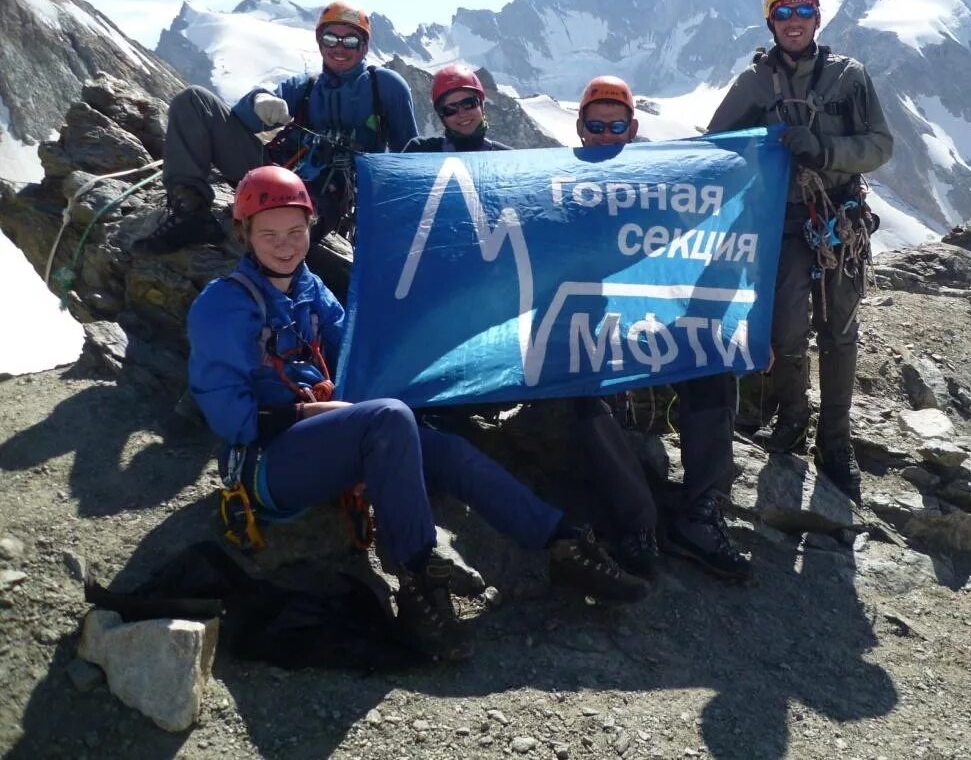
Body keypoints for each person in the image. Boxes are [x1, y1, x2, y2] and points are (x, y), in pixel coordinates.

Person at [186, 165, 648, 660]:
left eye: (296, 231)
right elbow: (230, 417)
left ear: (311, 227)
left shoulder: (309, 288)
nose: (286, 244)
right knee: (389, 419)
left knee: (446, 449)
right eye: (269, 233)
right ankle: (420, 587)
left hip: (332, 440)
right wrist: (316, 414)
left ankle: (563, 542)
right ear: (245, 234)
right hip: (265, 464)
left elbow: (358, 355)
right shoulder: (223, 306)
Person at [705, 0, 894, 503]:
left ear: (817, 18)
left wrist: (823, 149)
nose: (794, 20)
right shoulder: (754, 84)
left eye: (804, 10)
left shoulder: (849, 78)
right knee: (786, 332)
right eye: (784, 12)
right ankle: (792, 418)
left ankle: (836, 441)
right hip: (781, 223)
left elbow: (879, 145)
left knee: (838, 329)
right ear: (771, 22)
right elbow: (717, 147)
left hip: (839, 221)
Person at [569, 75, 752, 582]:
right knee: (581, 397)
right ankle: (639, 521)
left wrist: (745, 326)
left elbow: (698, 253)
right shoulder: (559, 186)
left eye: (617, 125)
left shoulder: (665, 184)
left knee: (712, 369)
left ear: (633, 128)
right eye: (596, 125)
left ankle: (698, 512)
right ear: (581, 128)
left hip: (651, 326)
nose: (607, 135)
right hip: (592, 333)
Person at [134, 1, 419, 257]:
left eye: (350, 40)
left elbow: (410, 157)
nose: (338, 47)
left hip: (333, 197)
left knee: (285, 230)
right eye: (330, 38)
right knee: (193, 100)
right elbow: (245, 118)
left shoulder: (386, 86)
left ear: (364, 46)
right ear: (320, 43)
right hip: (271, 171)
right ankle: (191, 211)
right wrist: (259, 101)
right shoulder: (304, 87)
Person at [405, 64, 510, 153]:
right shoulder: (419, 150)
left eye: (469, 104)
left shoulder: (508, 157)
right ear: (442, 118)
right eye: (450, 109)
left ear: (481, 106)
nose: (462, 113)